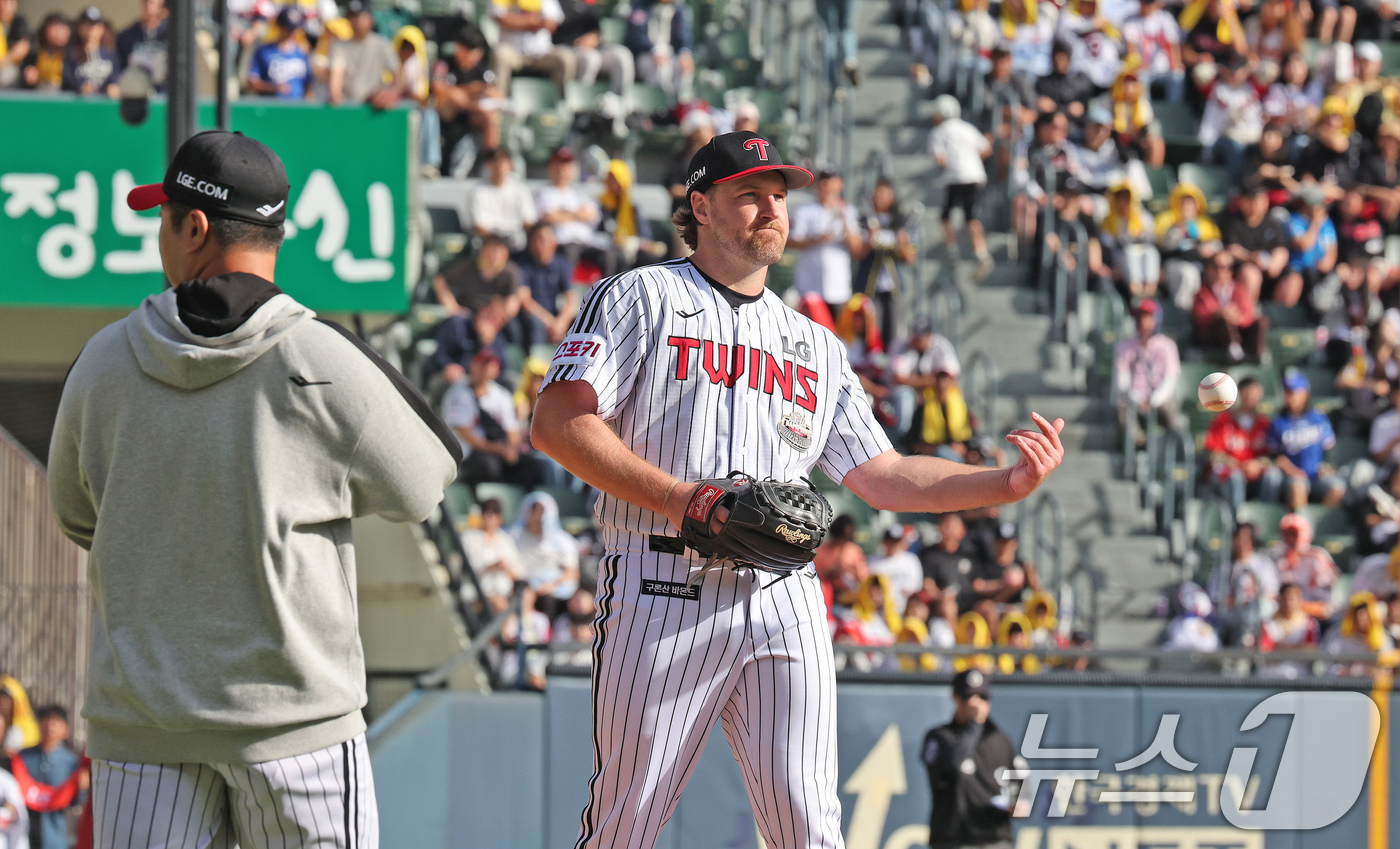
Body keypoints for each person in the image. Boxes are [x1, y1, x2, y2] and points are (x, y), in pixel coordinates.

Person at [529, 130, 1065, 849]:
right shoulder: (640, 296)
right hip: (664, 576)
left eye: (779, 195)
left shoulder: (813, 343)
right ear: (703, 206)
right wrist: (681, 498)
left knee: (810, 822)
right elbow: (558, 422)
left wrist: (1004, 481)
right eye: (750, 194)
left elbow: (884, 473)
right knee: (627, 821)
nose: (772, 209)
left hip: (783, 591)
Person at [48, 131, 461, 848]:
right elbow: (423, 484)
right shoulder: (322, 357)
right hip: (297, 727)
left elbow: (75, 514)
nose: (160, 234)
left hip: (145, 731)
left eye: (163, 216)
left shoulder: (103, 361)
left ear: (195, 227)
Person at [921, 669, 1022, 849]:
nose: (978, 705)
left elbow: (1015, 779)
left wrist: (1017, 804)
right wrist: (974, 725)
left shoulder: (999, 738)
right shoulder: (939, 737)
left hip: (995, 839)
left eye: (983, 697)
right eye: (970, 698)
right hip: (954, 840)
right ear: (956, 698)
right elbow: (953, 765)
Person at [444, 349, 545, 491]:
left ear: (496, 370)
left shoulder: (501, 395)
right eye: (481, 364)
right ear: (472, 365)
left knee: (531, 467)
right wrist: (497, 449)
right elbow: (465, 434)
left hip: (499, 450)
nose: (485, 369)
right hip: (470, 453)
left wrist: (511, 449)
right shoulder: (459, 393)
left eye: (489, 365)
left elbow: (512, 431)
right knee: (489, 467)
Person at [928, 94, 993, 270]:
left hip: (955, 178)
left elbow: (940, 160)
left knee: (945, 216)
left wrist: (954, 162)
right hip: (975, 176)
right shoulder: (967, 128)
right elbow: (986, 148)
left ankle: (952, 249)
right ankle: (981, 251)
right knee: (971, 216)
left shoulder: (938, 132)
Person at [790, 167, 865, 317]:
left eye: (831, 181)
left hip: (838, 286)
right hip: (810, 284)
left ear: (840, 184)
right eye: (823, 181)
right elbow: (791, 242)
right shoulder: (805, 210)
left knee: (837, 336)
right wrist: (817, 239)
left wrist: (844, 221)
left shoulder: (848, 211)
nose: (827, 186)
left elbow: (858, 250)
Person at [432, 23, 503, 178]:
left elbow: (496, 94)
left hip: (474, 119)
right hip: (448, 118)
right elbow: (439, 89)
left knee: (490, 117)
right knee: (453, 97)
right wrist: (471, 90)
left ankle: (490, 161)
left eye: (475, 51)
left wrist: (476, 95)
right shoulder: (445, 64)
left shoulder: (483, 71)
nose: (472, 56)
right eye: (468, 50)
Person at [1268, 370, 1345, 509]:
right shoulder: (1278, 421)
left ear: (1305, 393)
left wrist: (1328, 467)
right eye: (1287, 392)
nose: (1290, 396)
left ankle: (1319, 525)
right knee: (1298, 487)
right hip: (1293, 476)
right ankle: (1301, 527)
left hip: (1317, 475)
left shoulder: (1318, 417)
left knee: (1337, 487)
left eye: (1293, 392)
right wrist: (1292, 471)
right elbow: (1275, 455)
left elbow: (1329, 448)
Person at [1203, 375, 1279, 505]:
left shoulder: (1264, 423)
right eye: (1250, 393)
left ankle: (1266, 516)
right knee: (1235, 477)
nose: (1254, 397)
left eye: (1257, 394)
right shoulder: (1223, 420)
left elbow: (1272, 456)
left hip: (1254, 473)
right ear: (1240, 393)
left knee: (1273, 476)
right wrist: (1236, 464)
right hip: (1229, 473)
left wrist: (1258, 464)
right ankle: (1236, 521)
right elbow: (1212, 453)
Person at [14, 706, 82, 849]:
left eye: (56, 723)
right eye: (46, 721)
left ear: (66, 730)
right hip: (24, 835)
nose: (50, 727)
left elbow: (78, 801)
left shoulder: (71, 762)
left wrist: (82, 787)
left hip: (57, 835)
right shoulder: (23, 757)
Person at [1114, 299, 1180, 442]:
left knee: (1173, 415)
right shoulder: (1125, 346)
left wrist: (1153, 400)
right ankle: (1137, 446)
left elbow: (1170, 381)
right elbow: (1122, 382)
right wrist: (1138, 398)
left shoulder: (1167, 346)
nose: (1143, 322)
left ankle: (1175, 446)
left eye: (1148, 318)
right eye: (1139, 318)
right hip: (1134, 398)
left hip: (1160, 398)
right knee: (1123, 407)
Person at [509, 491, 581, 615]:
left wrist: (552, 584)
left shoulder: (562, 540)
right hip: (521, 586)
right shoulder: (513, 536)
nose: (538, 516)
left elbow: (572, 573)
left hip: (551, 589)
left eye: (542, 511)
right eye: (534, 511)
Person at [513, 223, 578, 347]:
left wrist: (561, 322)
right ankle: (537, 361)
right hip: (533, 315)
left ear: (554, 242)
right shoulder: (522, 265)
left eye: (546, 239)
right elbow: (525, 300)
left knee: (580, 321)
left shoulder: (562, 264)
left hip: (554, 314)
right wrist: (549, 322)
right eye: (538, 239)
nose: (541, 244)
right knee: (535, 322)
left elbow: (571, 299)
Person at [536, 147, 603, 264]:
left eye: (566, 165)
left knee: (608, 255)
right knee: (569, 253)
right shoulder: (545, 193)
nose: (562, 169)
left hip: (585, 241)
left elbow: (593, 215)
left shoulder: (579, 194)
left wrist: (563, 213)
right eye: (558, 165)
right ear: (550, 168)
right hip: (562, 243)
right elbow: (549, 217)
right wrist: (578, 214)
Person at [492, 0, 575, 93]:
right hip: (513, 52)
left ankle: (559, 101)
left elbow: (551, 23)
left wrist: (518, 20)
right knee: (501, 54)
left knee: (566, 57)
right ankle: (499, 100)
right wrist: (533, 20)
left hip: (542, 52)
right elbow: (503, 20)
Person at [328, 0, 398, 105]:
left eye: (360, 16)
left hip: (374, 107)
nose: (356, 21)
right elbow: (336, 79)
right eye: (353, 16)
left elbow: (398, 73)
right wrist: (335, 94)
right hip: (349, 106)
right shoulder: (339, 46)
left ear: (370, 18)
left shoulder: (382, 44)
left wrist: (392, 91)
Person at [1271, 512, 1339, 619]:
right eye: (1287, 534)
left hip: (1311, 611)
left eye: (1294, 534)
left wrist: (1299, 606)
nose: (1290, 539)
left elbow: (1326, 602)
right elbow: (1271, 594)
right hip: (1282, 612)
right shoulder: (1276, 557)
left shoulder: (1317, 557)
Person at [470, 147, 538, 252]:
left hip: (518, 243)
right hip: (490, 244)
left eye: (503, 162)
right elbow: (479, 225)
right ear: (488, 165)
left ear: (510, 165)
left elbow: (529, 220)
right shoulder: (478, 191)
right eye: (496, 162)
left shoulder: (521, 190)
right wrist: (498, 242)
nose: (499, 166)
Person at [624, 0, 695, 97]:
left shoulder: (680, 9)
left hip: (670, 55)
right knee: (662, 68)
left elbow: (684, 36)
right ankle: (658, 104)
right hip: (646, 55)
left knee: (684, 67)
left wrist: (685, 53)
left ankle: (678, 105)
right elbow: (636, 36)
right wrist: (654, 51)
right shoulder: (641, 7)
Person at [1121, 0, 1184, 102]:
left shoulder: (1165, 18)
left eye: (1150, 2)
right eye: (1145, 2)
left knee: (1178, 75)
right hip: (1143, 69)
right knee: (1140, 77)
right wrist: (1139, 64)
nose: (1147, 5)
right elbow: (1132, 51)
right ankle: (1145, 114)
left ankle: (1174, 112)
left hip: (1166, 69)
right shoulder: (1130, 20)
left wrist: (1176, 63)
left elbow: (1173, 44)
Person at [247, 7, 311, 99]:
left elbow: (309, 84)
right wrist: (273, 87)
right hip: (272, 107)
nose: (291, 32)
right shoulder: (264, 51)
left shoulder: (302, 52)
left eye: (294, 28)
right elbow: (251, 82)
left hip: (297, 107)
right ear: (279, 26)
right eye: (288, 28)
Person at [62, 7, 117, 97]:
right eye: (87, 25)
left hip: (103, 105)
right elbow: (67, 80)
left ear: (101, 28)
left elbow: (115, 76)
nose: (91, 30)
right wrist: (80, 87)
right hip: (80, 105)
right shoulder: (72, 53)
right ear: (80, 28)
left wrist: (113, 87)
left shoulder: (110, 55)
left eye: (94, 26)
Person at [870, 525, 924, 615]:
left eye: (897, 541)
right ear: (884, 542)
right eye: (891, 541)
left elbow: (918, 587)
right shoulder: (873, 563)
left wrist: (910, 593)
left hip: (906, 610)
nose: (894, 545)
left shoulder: (911, 560)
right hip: (880, 611)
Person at [114, 0, 166, 92]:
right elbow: (120, 67)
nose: (149, 7)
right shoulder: (127, 35)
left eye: (152, 3)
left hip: (164, 93)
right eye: (146, 2)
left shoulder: (171, 34)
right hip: (136, 92)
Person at [0, 0, 30, 89]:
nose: (2, 6)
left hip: (10, 72)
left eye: (5, 2)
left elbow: (21, 49)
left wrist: (2, 62)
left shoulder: (19, 23)